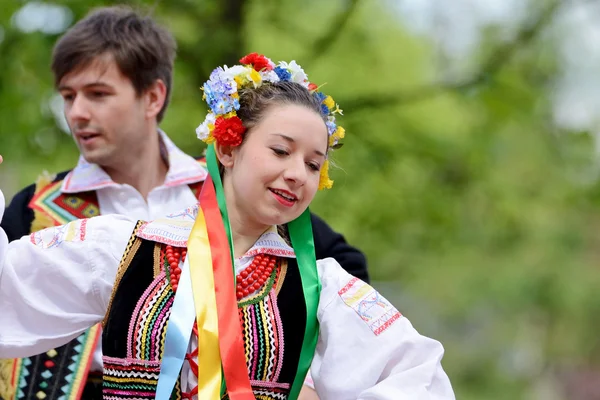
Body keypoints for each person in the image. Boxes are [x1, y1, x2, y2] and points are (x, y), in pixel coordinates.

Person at [0, 52, 454, 400]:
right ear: (228, 149)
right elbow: (9, 290)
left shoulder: (321, 285)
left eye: (314, 164)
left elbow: (419, 375)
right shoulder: (126, 244)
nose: (298, 172)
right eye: (280, 151)